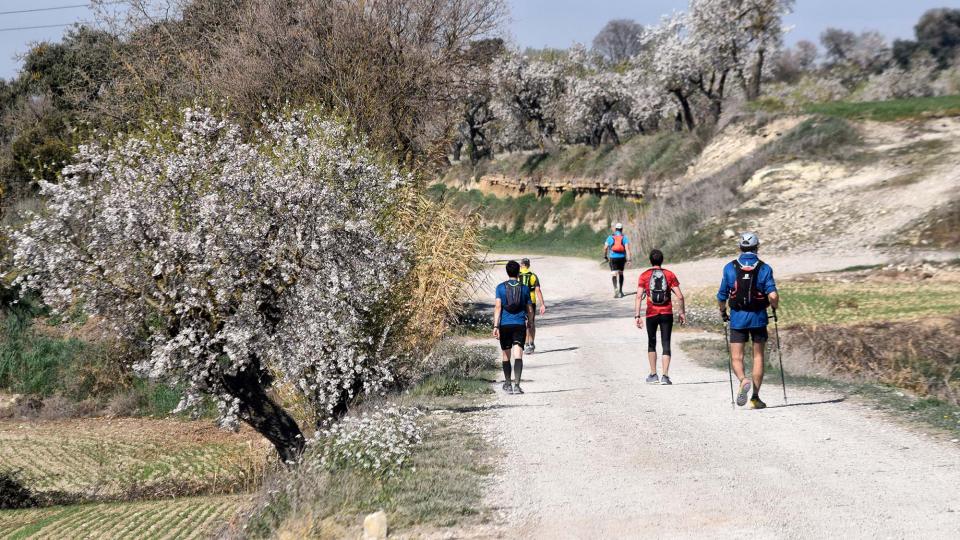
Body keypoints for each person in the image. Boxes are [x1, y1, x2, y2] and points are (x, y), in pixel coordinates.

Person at [717, 232, 780, 409]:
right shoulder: (764, 268)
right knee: (758, 356)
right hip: (759, 318)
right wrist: (774, 306)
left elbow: (722, 296)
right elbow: (773, 295)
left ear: (740, 248)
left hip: (737, 318)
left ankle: (743, 380)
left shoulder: (729, 268)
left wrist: (723, 312)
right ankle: (755, 398)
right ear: (757, 247)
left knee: (737, 357)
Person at [635, 249, 686, 385]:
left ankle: (653, 375)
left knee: (652, 343)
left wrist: (637, 315)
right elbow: (680, 296)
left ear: (650, 261)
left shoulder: (644, 275)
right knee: (666, 343)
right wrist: (682, 313)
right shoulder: (669, 275)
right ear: (662, 260)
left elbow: (639, 296)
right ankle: (665, 376)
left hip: (651, 313)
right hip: (666, 313)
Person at [494, 260, 534, 394]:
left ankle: (507, 384)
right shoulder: (524, 288)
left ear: (507, 272)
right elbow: (529, 308)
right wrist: (531, 321)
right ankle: (517, 385)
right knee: (518, 355)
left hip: (505, 325)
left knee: (506, 355)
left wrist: (495, 326)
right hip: (519, 325)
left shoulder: (500, 288)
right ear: (518, 272)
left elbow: (498, 307)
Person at [519, 258, 547, 354]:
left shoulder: (517, 275)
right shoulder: (533, 276)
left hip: (520, 301)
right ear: (529, 265)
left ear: (521, 265)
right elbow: (538, 290)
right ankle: (531, 343)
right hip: (531, 301)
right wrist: (542, 304)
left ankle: (525, 344)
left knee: (524, 322)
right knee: (531, 322)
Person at [603, 223, 631, 298]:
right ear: (621, 229)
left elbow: (605, 248)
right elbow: (627, 249)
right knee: (621, 273)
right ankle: (621, 291)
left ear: (615, 229)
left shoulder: (610, 237)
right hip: (622, 258)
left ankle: (616, 290)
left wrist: (605, 256)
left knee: (614, 274)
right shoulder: (624, 238)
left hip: (613, 258)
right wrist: (629, 260)